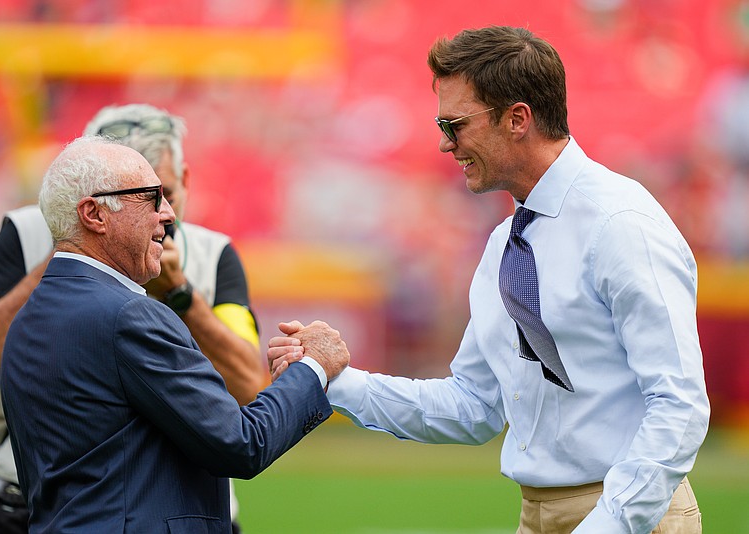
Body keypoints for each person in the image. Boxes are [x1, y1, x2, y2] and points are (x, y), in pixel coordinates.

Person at [268, 26, 710, 534]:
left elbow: (679, 404)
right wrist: (332, 379)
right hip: (539, 515)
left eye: (454, 124)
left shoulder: (620, 223)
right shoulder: (507, 241)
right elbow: (473, 407)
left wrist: (608, 523)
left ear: (517, 119)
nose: (442, 143)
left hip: (632, 515)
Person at [0, 135, 348, 532]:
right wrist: (314, 370)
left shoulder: (27, 320)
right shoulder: (130, 316)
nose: (169, 215)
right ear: (94, 214)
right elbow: (240, 444)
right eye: (150, 198)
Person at [0, 104, 265, 533]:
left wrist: (182, 298)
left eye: (163, 193)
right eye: (130, 198)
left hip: (182, 510)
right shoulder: (26, 233)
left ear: (185, 183)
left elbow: (250, 388)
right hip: (29, 501)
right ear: (90, 203)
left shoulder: (213, 253)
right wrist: (71, 258)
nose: (157, 215)